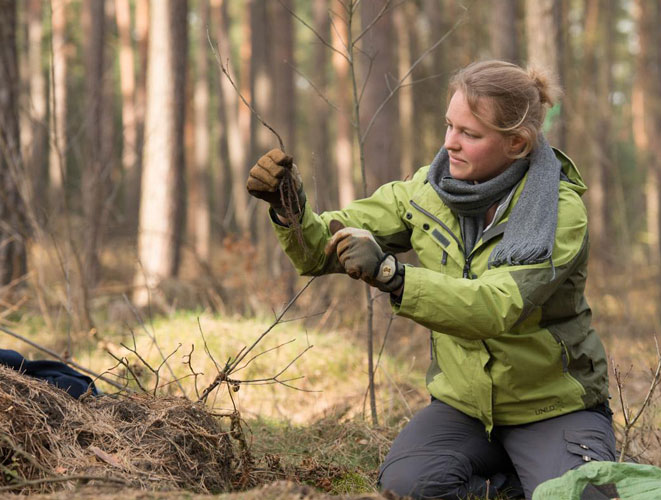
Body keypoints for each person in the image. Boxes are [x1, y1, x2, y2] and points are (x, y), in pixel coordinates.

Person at [247, 60, 615, 500]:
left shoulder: (558, 211)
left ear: (516, 142)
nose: (449, 144)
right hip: (464, 409)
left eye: (469, 134)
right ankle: (516, 486)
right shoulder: (428, 191)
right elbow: (319, 250)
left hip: (554, 408)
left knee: (577, 497)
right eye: (449, 126)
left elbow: (495, 306)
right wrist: (289, 208)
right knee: (406, 489)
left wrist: (392, 275)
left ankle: (546, 476)